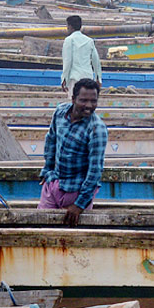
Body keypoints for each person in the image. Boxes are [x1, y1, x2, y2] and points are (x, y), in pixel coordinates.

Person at [39, 79, 108, 226]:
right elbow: (51, 141)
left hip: (76, 190)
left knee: (73, 236)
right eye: (83, 100)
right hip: (54, 184)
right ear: (73, 99)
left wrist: (80, 204)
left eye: (93, 101)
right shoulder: (60, 113)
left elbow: (95, 170)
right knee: (42, 226)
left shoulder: (97, 129)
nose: (89, 106)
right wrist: (47, 171)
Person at [60, 15, 101, 91]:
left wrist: (64, 78)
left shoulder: (69, 40)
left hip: (75, 78)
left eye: (67, 25)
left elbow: (67, 61)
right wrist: (98, 77)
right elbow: (96, 60)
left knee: (76, 100)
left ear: (70, 26)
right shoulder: (89, 40)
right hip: (88, 77)